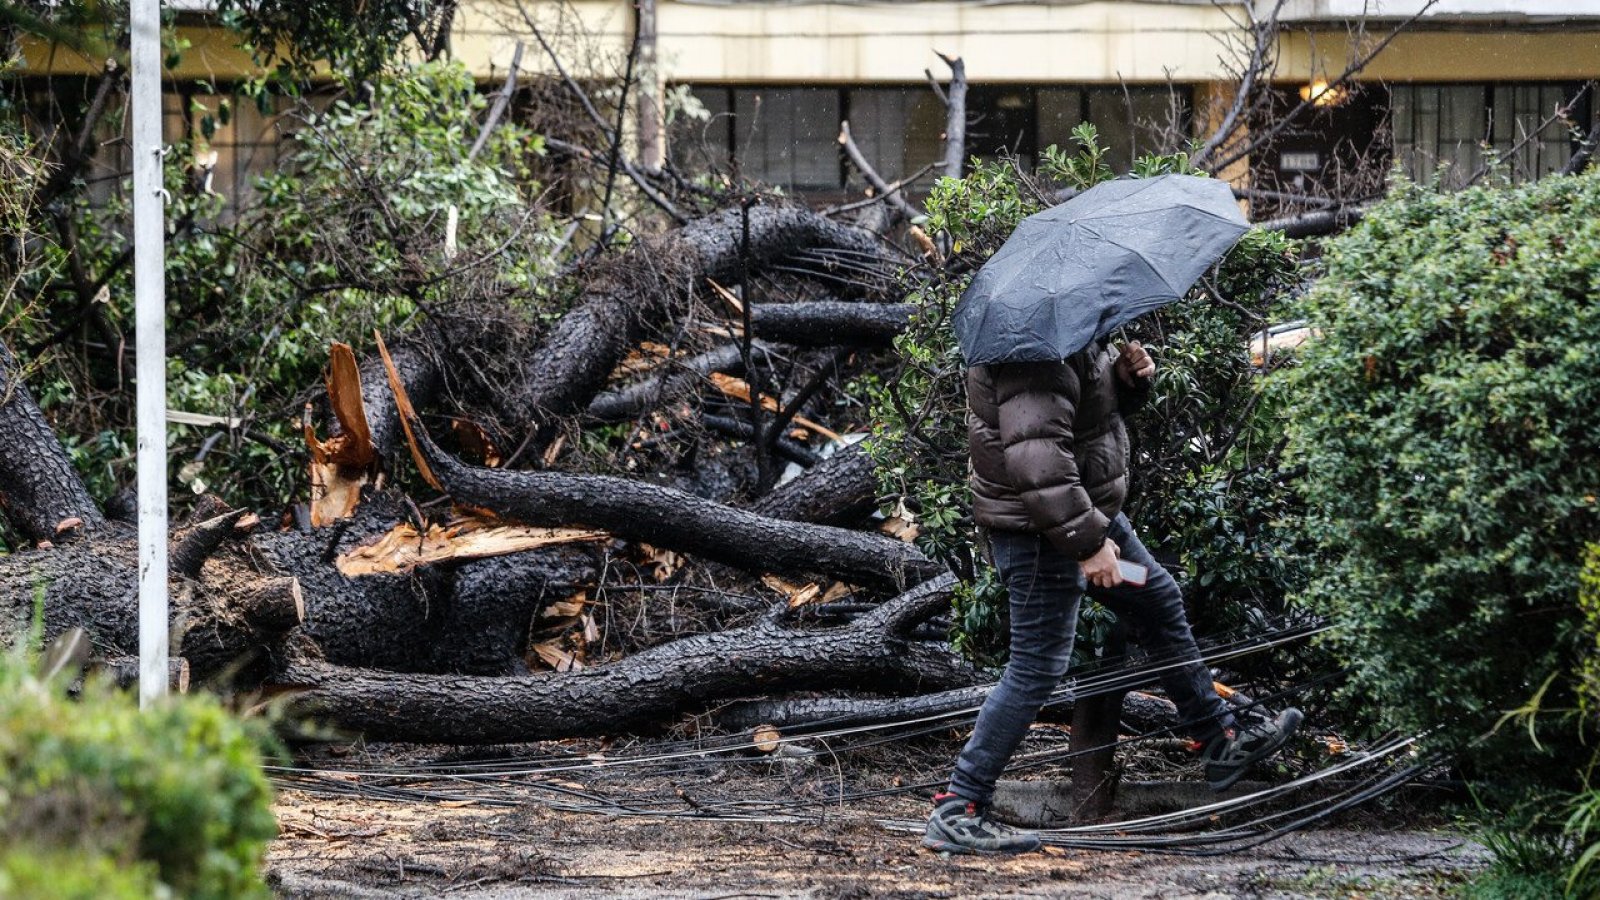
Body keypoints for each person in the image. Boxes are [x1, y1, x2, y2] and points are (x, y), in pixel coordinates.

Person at [922, 339, 1302, 856]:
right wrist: (1088, 545)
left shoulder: (1070, 335)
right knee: (1037, 663)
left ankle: (1219, 739)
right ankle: (958, 807)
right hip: (1044, 536)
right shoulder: (1031, 347)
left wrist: (1126, 382)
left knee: (1156, 598)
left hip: (1090, 519)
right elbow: (1038, 460)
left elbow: (1079, 420)